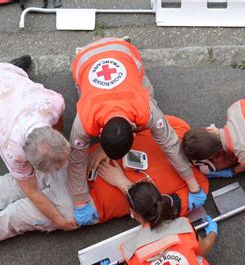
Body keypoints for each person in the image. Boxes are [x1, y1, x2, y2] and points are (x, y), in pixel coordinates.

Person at [0, 116, 208, 263]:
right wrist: (106, 147)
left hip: (85, 205)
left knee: (17, 216)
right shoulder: (177, 129)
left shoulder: (197, 188)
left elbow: (154, 216)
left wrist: (124, 184)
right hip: (76, 167)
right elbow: (126, 126)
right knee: (13, 185)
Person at [68, 37, 206, 226]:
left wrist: (192, 184)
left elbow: (170, 143)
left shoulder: (147, 108)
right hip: (84, 60)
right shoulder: (84, 120)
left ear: (134, 132)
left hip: (124, 51)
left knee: (147, 89)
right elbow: (76, 159)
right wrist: (79, 201)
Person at [0, 56, 76, 231]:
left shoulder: (52, 103)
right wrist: (59, 221)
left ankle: (10, 68)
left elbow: (58, 121)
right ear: (29, 161)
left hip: (3, 71)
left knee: (8, 76)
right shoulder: (10, 149)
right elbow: (32, 192)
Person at [99, 181, 228, 265]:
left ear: (133, 214)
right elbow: (203, 249)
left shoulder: (130, 248)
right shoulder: (183, 226)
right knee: (193, 253)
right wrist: (212, 232)